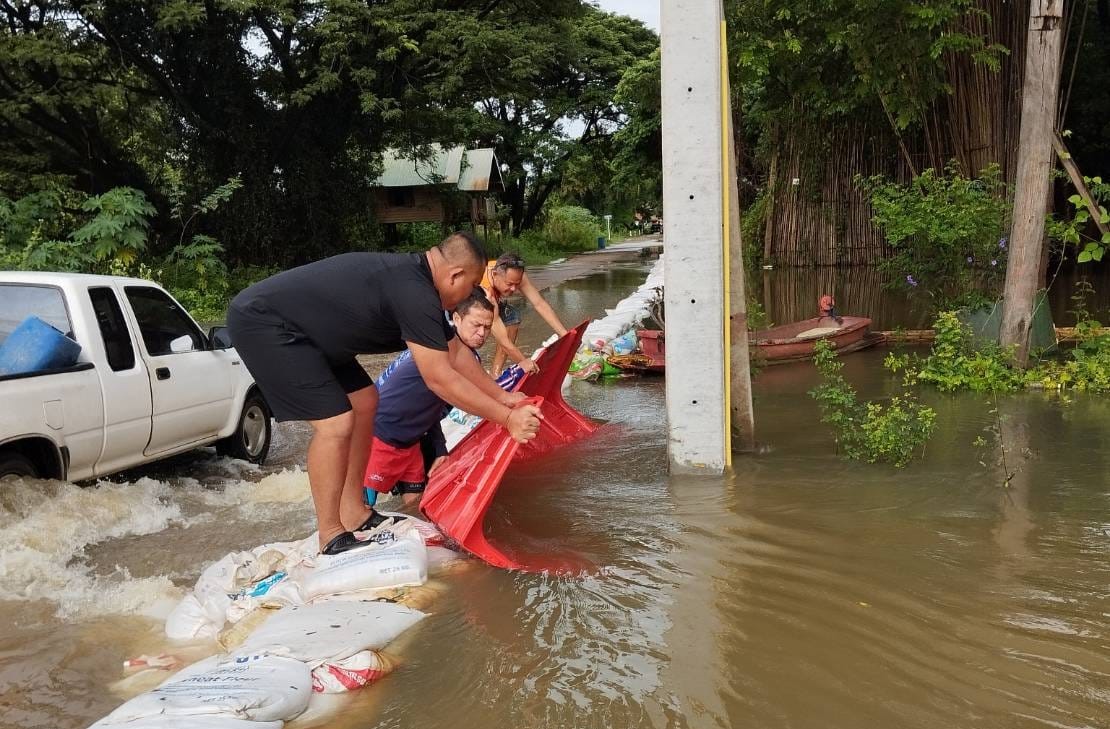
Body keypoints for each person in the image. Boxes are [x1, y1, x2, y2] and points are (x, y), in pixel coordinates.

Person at [226, 232, 541, 555]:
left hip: (313, 333)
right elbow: (439, 378)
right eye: (472, 283)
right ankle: (330, 533)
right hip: (266, 324)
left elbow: (457, 354)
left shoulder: (420, 287)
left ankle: (354, 512)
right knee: (335, 423)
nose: (472, 292)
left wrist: (504, 397)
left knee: (365, 402)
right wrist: (505, 418)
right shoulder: (415, 292)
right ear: (455, 275)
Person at [364, 288, 497, 507]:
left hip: (409, 441)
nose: (482, 333)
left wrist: (439, 449)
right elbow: (476, 401)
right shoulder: (445, 353)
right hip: (380, 436)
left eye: (487, 327)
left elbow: (432, 407)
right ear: (456, 318)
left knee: (416, 506)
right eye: (476, 325)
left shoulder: (441, 344)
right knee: (361, 509)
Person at [481, 252, 569, 376]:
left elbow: (539, 303)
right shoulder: (487, 294)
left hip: (492, 303)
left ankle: (496, 373)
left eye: (516, 284)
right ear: (495, 275)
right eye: (509, 284)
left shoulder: (515, 275)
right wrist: (525, 364)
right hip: (467, 309)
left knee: (512, 317)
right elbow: (504, 341)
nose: (514, 289)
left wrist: (565, 334)